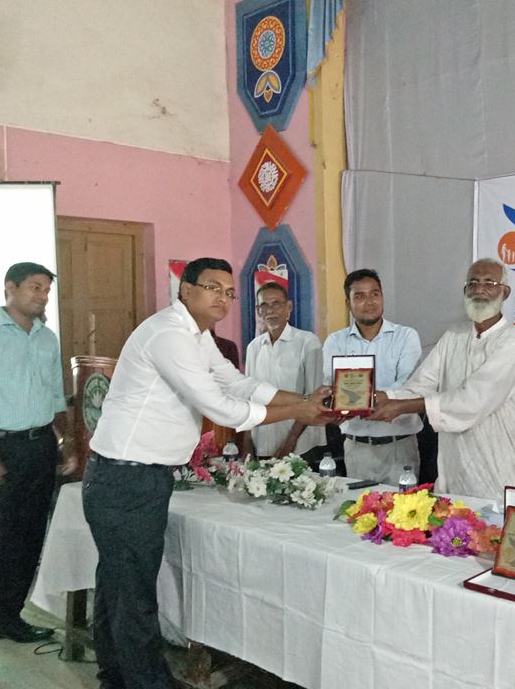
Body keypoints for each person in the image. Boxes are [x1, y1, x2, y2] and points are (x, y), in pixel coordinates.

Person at [83, 257, 330, 689]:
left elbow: (237, 383)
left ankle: (115, 676)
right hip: (125, 479)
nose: (223, 298)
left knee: (118, 587)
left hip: (136, 476)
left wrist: (303, 400)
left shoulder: (197, 337)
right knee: (133, 595)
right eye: (213, 288)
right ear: (186, 290)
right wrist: (300, 411)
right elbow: (222, 408)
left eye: (229, 292)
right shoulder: (169, 335)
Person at [0, 262, 75, 685]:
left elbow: (55, 396)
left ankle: (7, 619)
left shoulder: (46, 338)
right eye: (34, 287)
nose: (42, 296)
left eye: (46, 290)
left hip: (39, 448)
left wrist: (65, 443)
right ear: (10, 288)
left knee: (28, 541)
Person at [371, 259, 515, 500]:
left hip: (501, 464)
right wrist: (382, 397)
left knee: (497, 519)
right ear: (465, 291)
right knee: (454, 520)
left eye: (489, 283)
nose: (479, 289)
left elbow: (473, 400)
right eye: (473, 283)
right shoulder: (454, 335)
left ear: (505, 292)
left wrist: (401, 406)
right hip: (457, 465)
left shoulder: (513, 339)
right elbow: (422, 383)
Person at [322, 269, 422, 483]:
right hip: (357, 448)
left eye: (374, 294)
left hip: (399, 447)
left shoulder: (406, 336)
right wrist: (335, 404)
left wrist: (366, 399)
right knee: (358, 504)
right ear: (348, 303)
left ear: (382, 297)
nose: (369, 302)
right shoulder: (335, 341)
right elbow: (331, 386)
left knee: (404, 505)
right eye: (359, 296)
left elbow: (409, 386)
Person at [245, 282, 325, 458]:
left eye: (276, 304)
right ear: (258, 311)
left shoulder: (308, 342)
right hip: (262, 442)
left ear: (289, 307)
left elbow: (314, 397)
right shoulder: (254, 347)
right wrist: (247, 442)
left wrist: (291, 442)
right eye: (264, 305)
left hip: (301, 445)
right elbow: (249, 396)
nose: (270, 311)